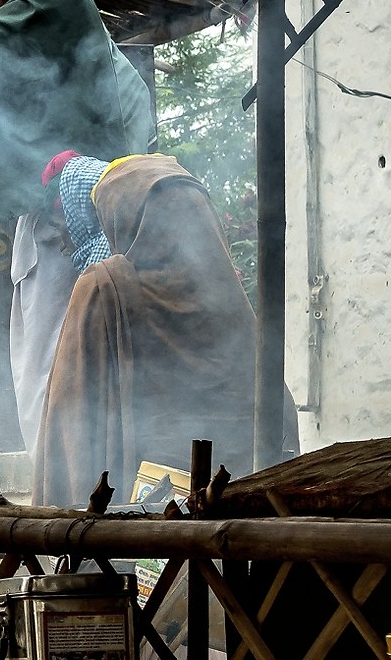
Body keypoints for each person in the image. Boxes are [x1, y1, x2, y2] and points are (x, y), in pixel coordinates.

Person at [0, 0, 156, 464]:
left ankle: (69, 509)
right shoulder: (54, 21)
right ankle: (68, 504)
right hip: (56, 221)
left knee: (54, 370)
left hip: (74, 224)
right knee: (42, 368)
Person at [33, 153, 256, 506]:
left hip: (136, 522)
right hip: (242, 518)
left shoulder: (104, 288)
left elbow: (72, 422)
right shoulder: (234, 306)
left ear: (118, 216)